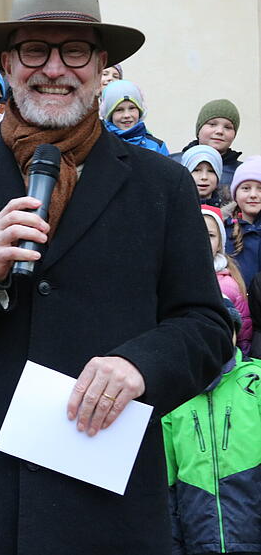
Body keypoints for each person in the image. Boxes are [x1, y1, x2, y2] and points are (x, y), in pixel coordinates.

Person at [0, 0, 231, 554]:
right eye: (35, 50)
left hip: (105, 511)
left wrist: (141, 366)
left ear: (101, 68)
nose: (55, 69)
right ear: (8, 65)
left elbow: (209, 326)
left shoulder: (160, 185)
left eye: (76, 52)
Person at [162, 304, 261, 555]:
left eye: (224, 329)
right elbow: (166, 484)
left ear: (235, 333)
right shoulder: (174, 393)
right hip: (198, 539)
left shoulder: (255, 380)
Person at [203, 205, 252, 353]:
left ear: (220, 243)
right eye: (196, 232)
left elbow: (244, 329)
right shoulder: (173, 276)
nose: (202, 239)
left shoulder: (229, 285)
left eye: (210, 235)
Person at [173, 99, 243, 194]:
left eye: (228, 127)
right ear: (199, 129)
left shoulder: (242, 172)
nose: (219, 131)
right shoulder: (173, 164)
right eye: (212, 124)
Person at [99, 79, 168, 155]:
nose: (127, 115)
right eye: (119, 110)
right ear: (109, 114)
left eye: (132, 108)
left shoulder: (157, 146)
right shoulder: (100, 144)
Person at [225, 158, 261, 288]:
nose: (253, 195)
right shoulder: (223, 230)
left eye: (260, 189)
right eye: (246, 188)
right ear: (235, 193)